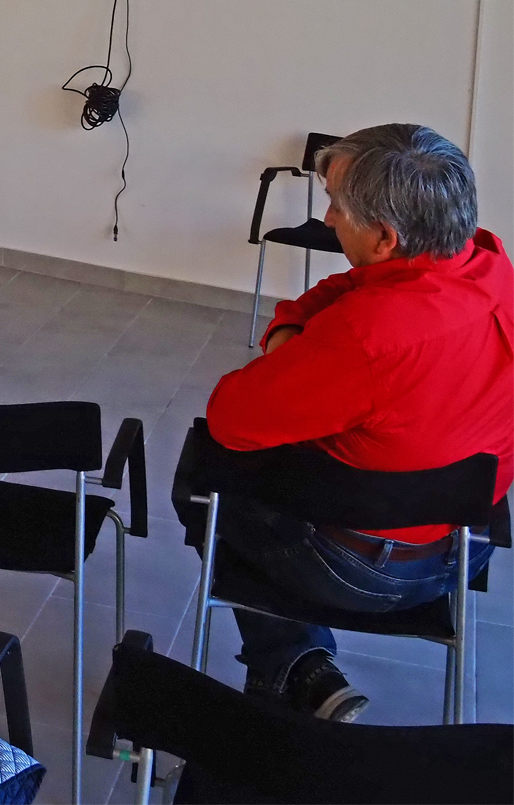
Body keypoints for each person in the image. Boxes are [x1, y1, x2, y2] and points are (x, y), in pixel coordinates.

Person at [205, 124, 511, 722]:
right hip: (466, 547)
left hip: (365, 571)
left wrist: (291, 345)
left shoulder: (368, 337)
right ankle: (296, 671)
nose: (326, 218)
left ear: (385, 236)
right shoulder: (487, 262)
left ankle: (288, 668)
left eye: (336, 208)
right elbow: (352, 282)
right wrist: (295, 323)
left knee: (220, 479)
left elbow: (230, 418)